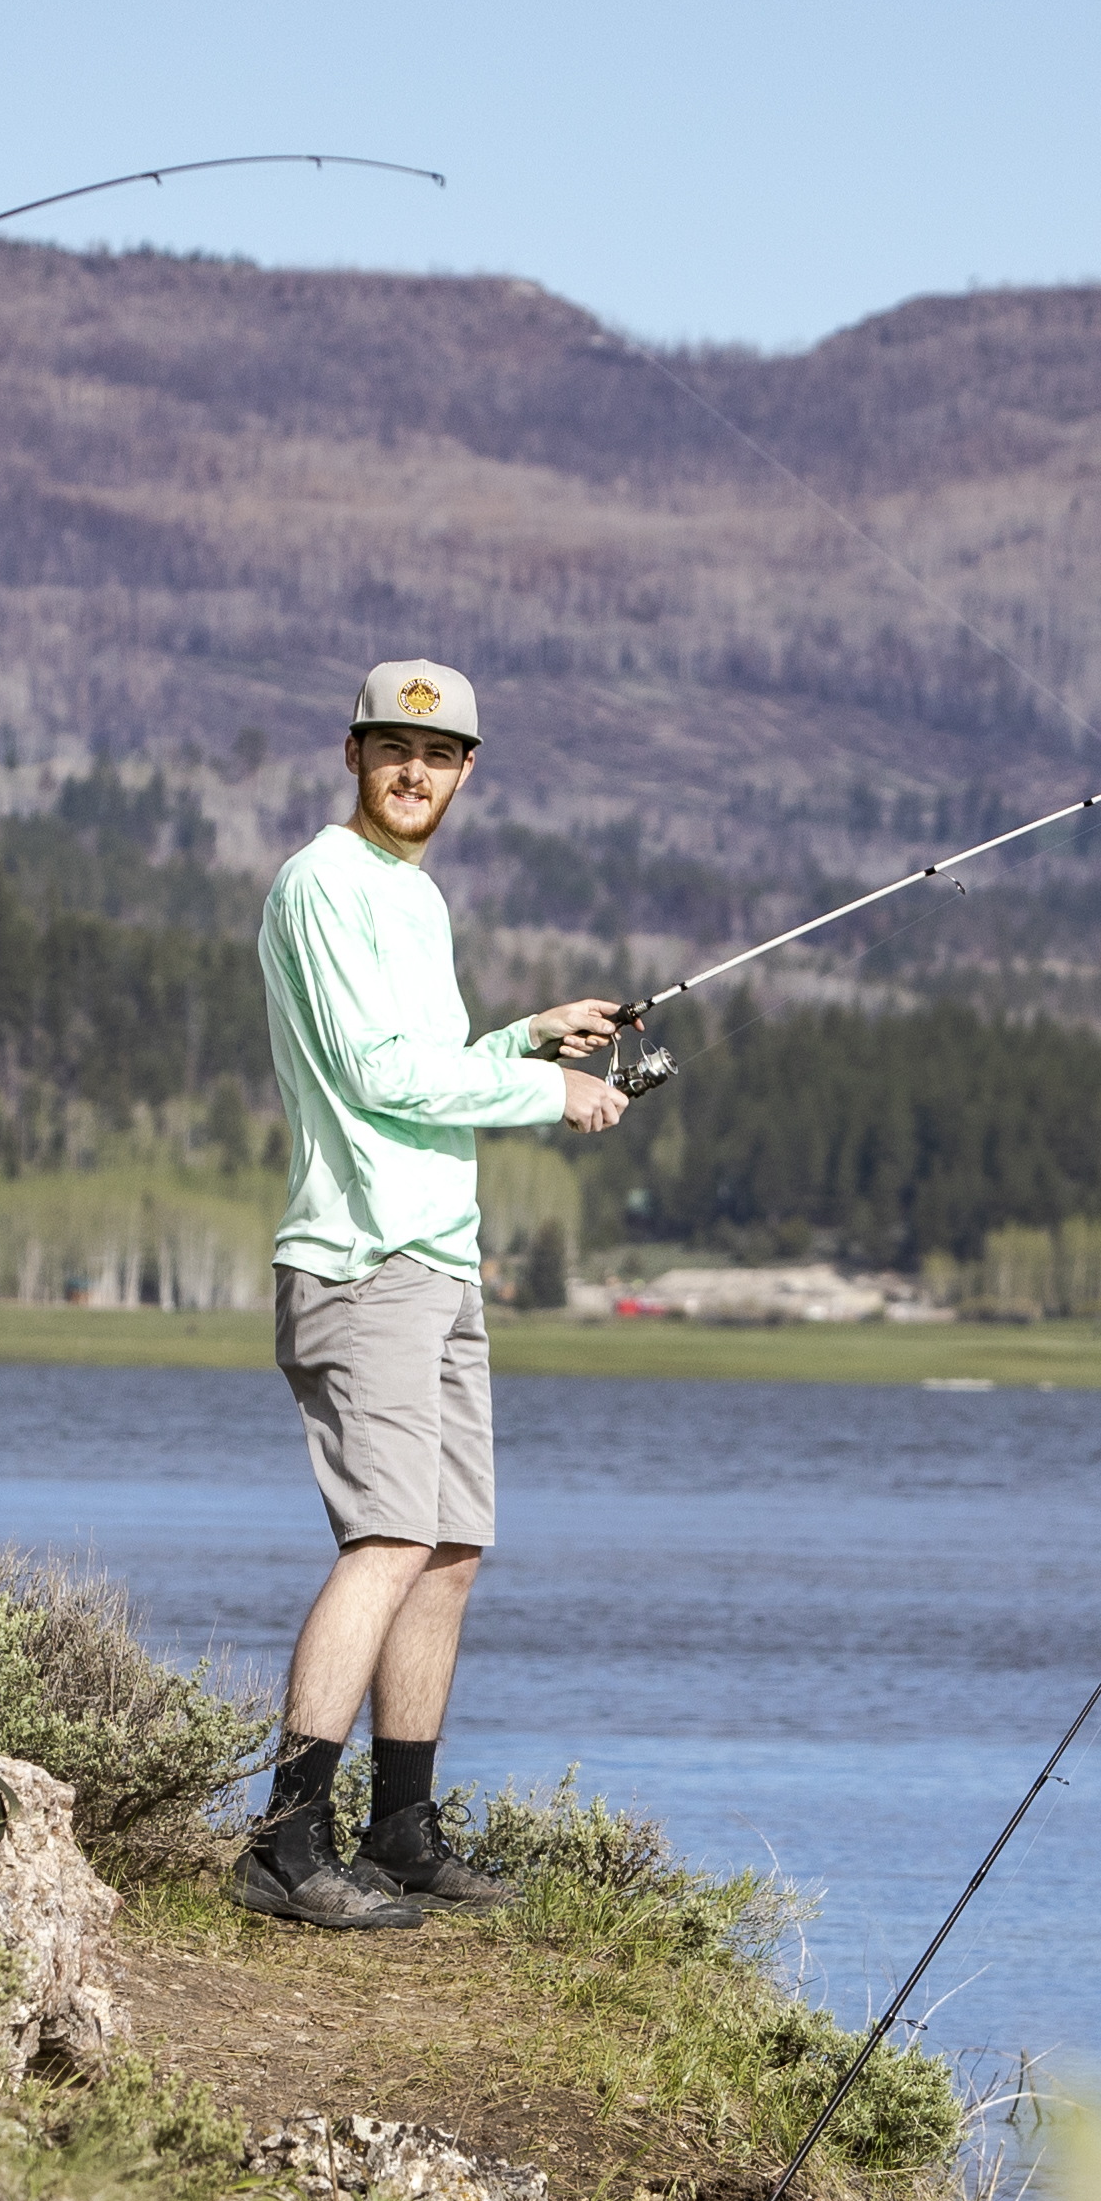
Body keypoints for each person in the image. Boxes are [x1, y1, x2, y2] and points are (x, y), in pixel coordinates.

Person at [239, 656, 630, 1928]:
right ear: (351, 752)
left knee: (450, 1549)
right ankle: (283, 1843)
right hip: (361, 1264)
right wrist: (545, 1093)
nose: (416, 771)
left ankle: (399, 1828)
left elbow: (421, 1062)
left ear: (465, 770)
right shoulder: (321, 883)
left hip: (437, 1258)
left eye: (442, 754)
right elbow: (373, 1075)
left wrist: (522, 1039)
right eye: (392, 747)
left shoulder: (412, 895)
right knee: (387, 1540)